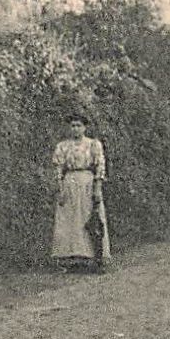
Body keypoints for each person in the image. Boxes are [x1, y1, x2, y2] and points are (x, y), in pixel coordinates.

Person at [50, 114, 110, 272]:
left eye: (78, 125)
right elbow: (58, 169)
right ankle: (70, 258)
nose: (75, 129)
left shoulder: (93, 144)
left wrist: (97, 187)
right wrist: (61, 189)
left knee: (88, 217)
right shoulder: (63, 146)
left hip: (87, 183)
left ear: (84, 127)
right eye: (73, 126)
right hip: (69, 182)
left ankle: (92, 257)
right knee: (69, 219)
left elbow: (100, 166)